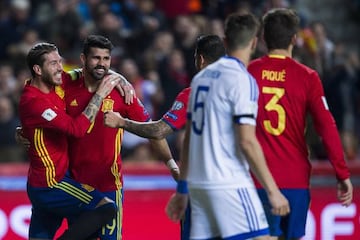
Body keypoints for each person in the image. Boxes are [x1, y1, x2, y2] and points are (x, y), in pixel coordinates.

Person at [165, 13, 290, 240]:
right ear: (254, 42)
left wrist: (183, 189)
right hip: (229, 182)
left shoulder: (199, 80)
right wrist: (273, 191)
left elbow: (189, 140)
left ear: (225, 41)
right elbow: (247, 142)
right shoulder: (242, 80)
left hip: (199, 186)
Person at [103, 34, 226, 240]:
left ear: (201, 59)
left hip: (201, 187)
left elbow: (159, 130)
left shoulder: (193, 94)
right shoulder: (242, 90)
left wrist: (121, 122)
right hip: (235, 186)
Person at [247, 8, 353, 240]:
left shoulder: (248, 72)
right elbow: (327, 126)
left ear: (263, 39)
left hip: (258, 180)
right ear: (295, 39)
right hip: (295, 181)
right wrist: (341, 173)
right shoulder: (308, 77)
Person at [62, 34, 179, 240]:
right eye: (96, 58)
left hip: (109, 184)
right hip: (76, 187)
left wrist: (171, 164)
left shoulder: (121, 92)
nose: (101, 64)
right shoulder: (66, 86)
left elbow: (152, 130)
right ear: (83, 59)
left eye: (106, 59)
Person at [19, 42, 119, 240]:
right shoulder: (35, 102)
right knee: (106, 207)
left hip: (42, 182)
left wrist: (119, 78)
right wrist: (100, 94)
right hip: (51, 183)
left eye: (60, 61)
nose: (60, 67)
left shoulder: (55, 83)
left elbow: (78, 73)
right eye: (54, 63)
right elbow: (76, 130)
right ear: (38, 70)